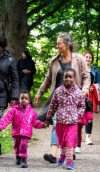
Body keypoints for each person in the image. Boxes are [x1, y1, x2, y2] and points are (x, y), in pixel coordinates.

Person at [34, 32, 90, 163]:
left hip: (73, 98)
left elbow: (87, 76)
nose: (57, 46)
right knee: (58, 124)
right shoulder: (54, 61)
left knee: (70, 124)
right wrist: (39, 93)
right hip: (58, 97)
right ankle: (53, 154)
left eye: (59, 43)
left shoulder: (80, 59)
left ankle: (67, 150)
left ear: (67, 44)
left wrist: (85, 90)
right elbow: (48, 79)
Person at [44, 68, 86, 170]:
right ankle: (62, 155)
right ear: (63, 78)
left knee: (69, 141)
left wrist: (78, 114)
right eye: (66, 77)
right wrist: (48, 118)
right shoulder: (58, 91)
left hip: (72, 122)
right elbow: (53, 106)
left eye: (70, 77)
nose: (68, 79)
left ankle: (70, 161)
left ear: (74, 78)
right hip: (60, 122)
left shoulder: (78, 93)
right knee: (62, 142)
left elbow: (82, 106)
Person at [0, 91, 45, 168]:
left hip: (26, 133)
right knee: (17, 145)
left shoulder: (32, 112)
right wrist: (0, 126)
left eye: (26, 98)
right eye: (22, 98)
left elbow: (34, 122)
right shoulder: (13, 110)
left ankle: (23, 159)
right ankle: (17, 157)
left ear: (29, 101)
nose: (24, 100)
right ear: (19, 99)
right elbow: (6, 118)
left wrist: (42, 125)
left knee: (23, 145)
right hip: (16, 132)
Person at [83, 50, 100, 145]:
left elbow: (98, 83)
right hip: (81, 94)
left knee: (89, 115)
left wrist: (93, 87)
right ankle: (77, 135)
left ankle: (88, 136)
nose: (88, 59)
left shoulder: (95, 70)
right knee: (79, 115)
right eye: (86, 57)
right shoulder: (79, 69)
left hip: (90, 96)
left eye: (90, 57)